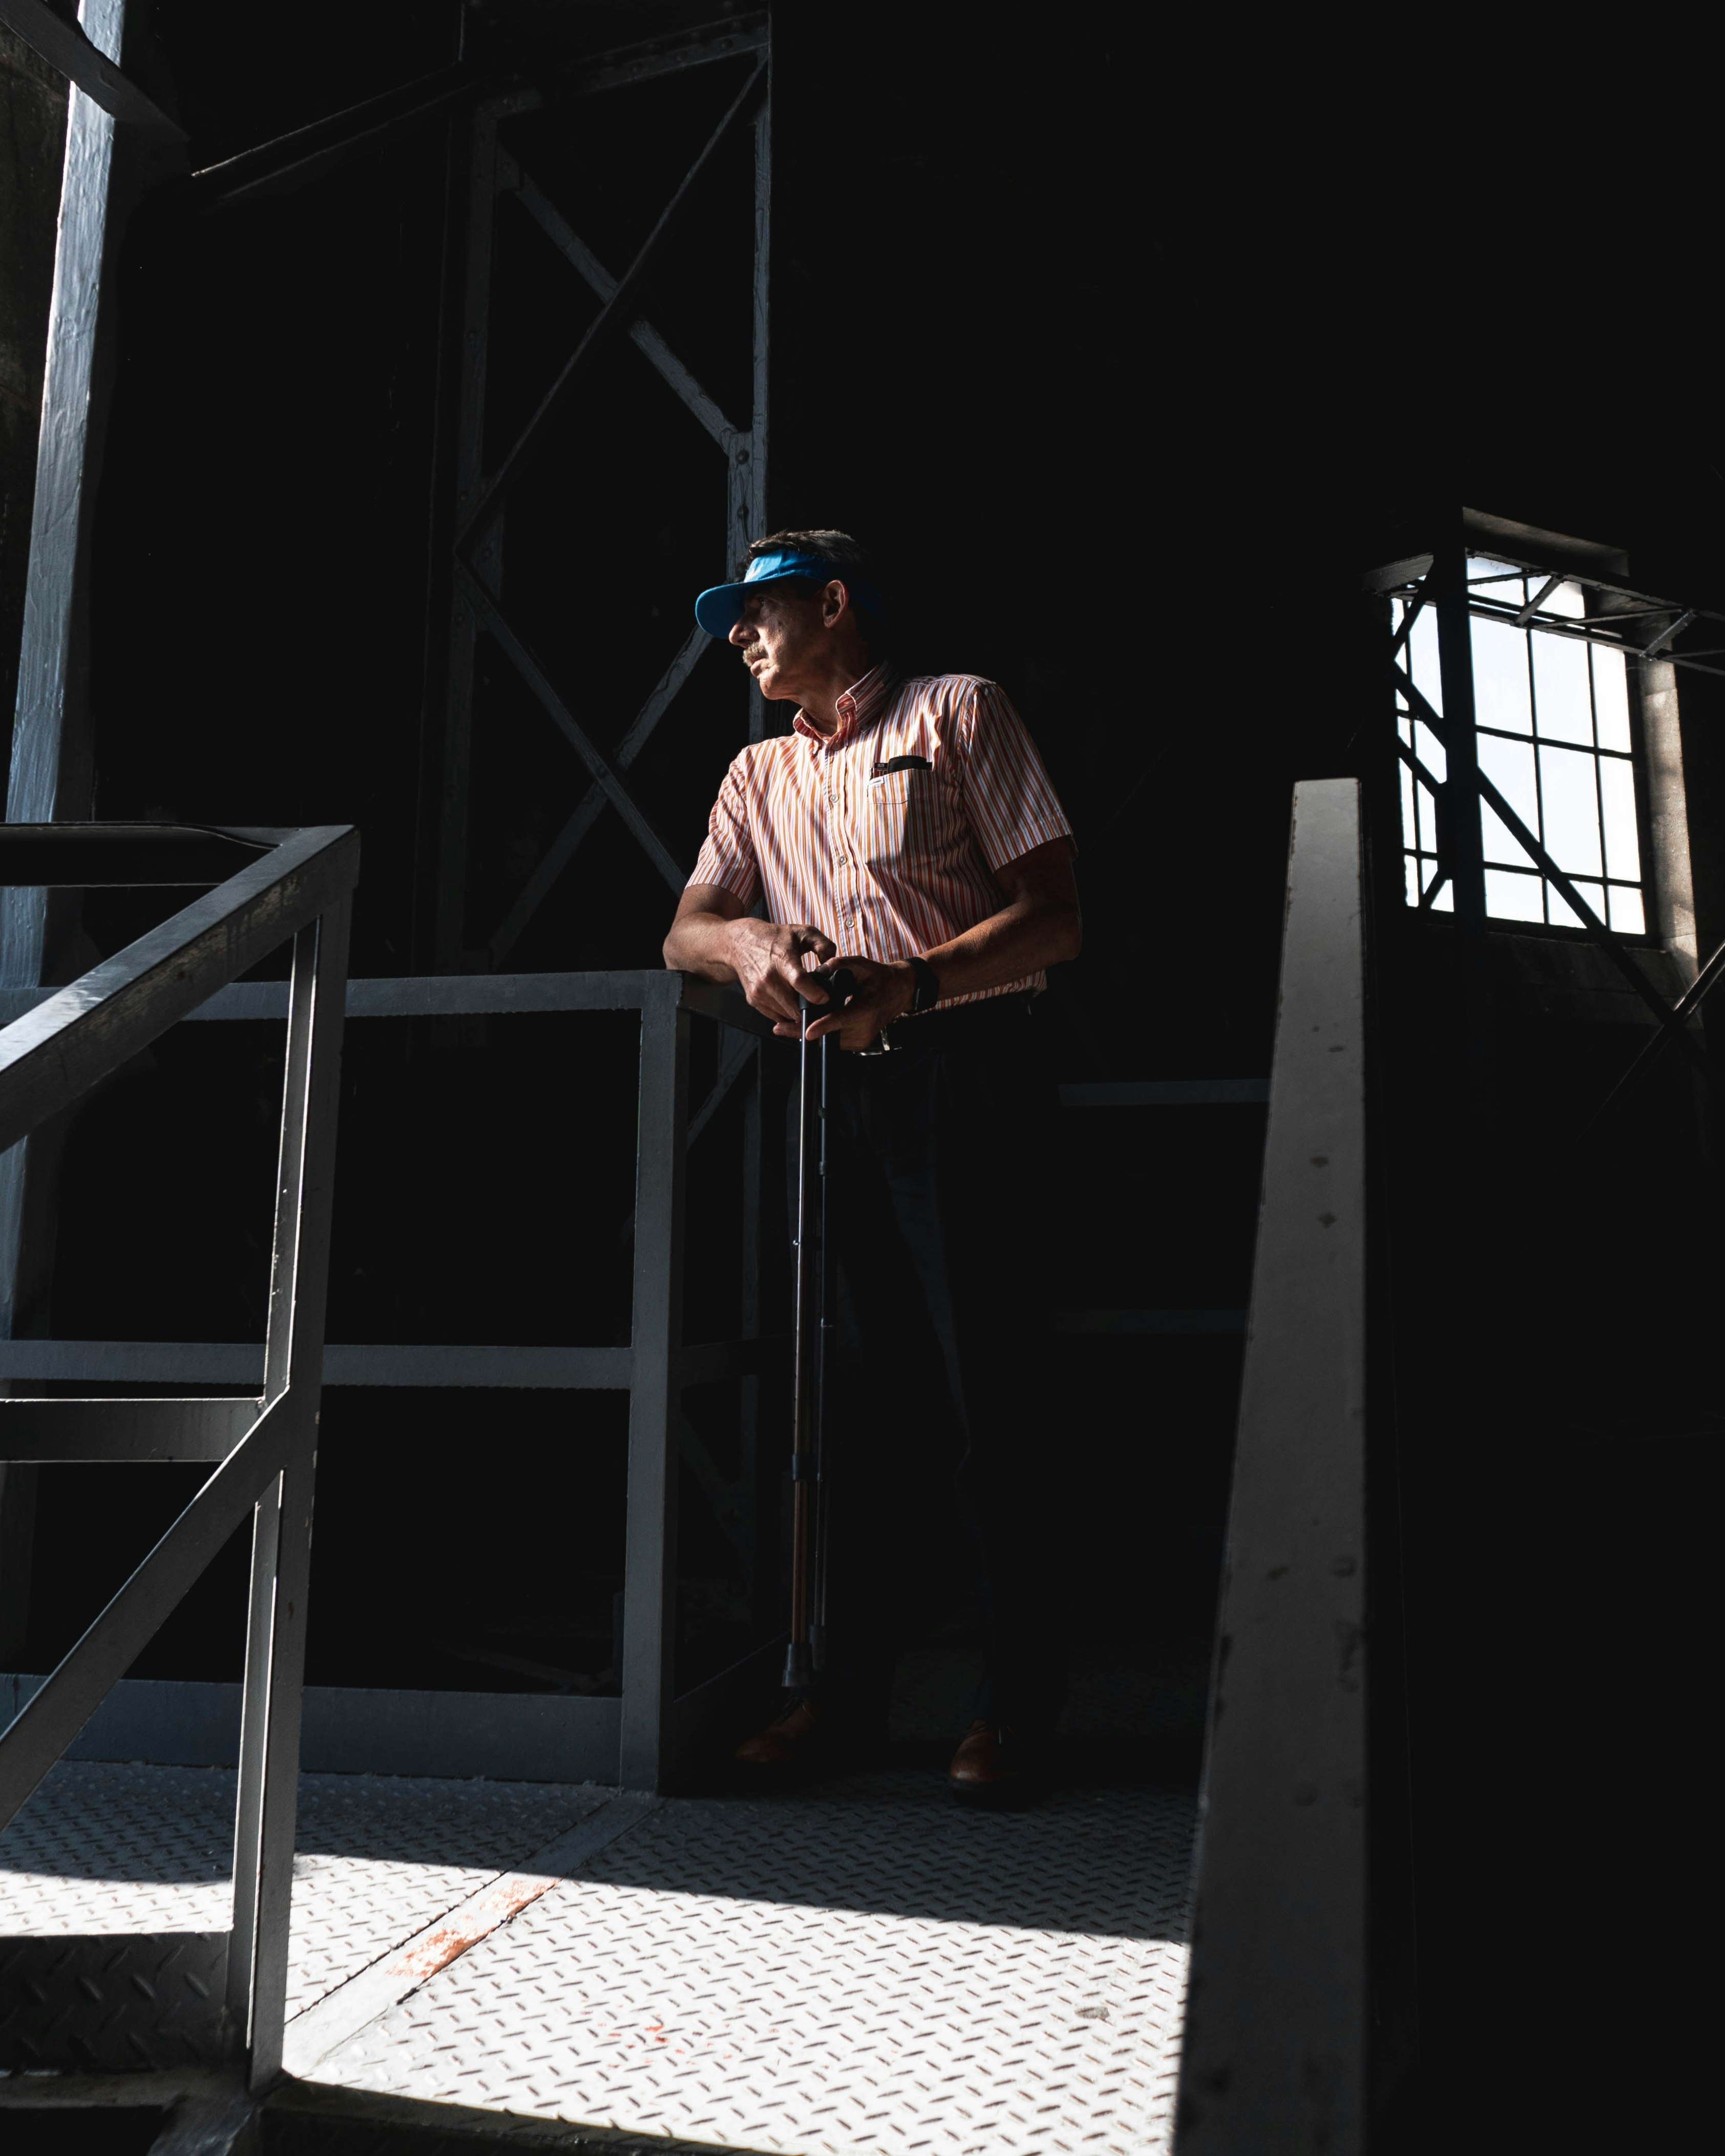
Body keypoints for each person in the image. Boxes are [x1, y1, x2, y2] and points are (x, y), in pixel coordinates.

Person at [663, 530, 1080, 1803]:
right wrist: (746, 945)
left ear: (833, 604)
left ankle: (1014, 1707)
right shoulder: (753, 773)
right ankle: (840, 1702)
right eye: (728, 616)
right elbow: (681, 930)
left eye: (759, 609)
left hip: (966, 1066)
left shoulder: (958, 710)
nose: (738, 633)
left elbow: (1058, 911)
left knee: (986, 1396)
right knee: (853, 1408)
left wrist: (912, 978)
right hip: (835, 1084)